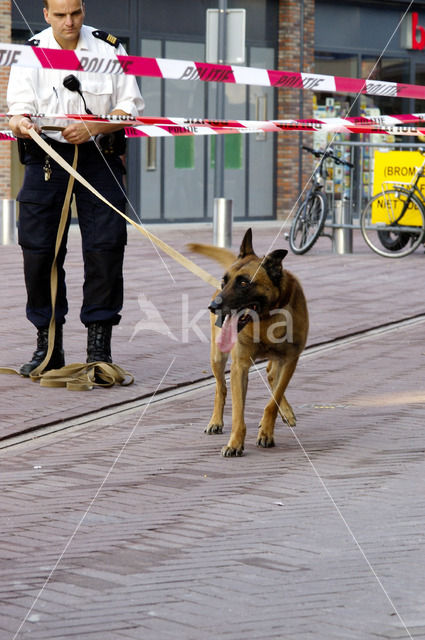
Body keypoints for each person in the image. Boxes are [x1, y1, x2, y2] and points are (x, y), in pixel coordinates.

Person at [7, 0, 145, 376]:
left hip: (99, 159)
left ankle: (99, 349)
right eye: (61, 15)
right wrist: (21, 121)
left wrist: (95, 126)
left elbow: (129, 107)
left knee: (105, 250)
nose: (70, 22)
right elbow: (18, 107)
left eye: (76, 13)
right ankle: (49, 347)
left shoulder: (109, 48)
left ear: (83, 10)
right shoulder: (30, 52)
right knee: (39, 252)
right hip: (47, 159)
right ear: (46, 14)